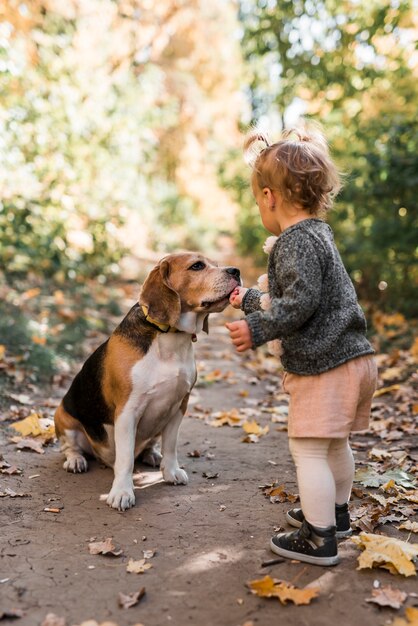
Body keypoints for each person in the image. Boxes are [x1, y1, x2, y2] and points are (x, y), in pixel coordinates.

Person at [226, 121, 377, 566]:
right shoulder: (319, 236)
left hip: (325, 366)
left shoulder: (293, 242)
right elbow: (296, 297)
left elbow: (302, 305)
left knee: (308, 448)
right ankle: (336, 514)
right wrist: (250, 301)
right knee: (334, 445)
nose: (259, 208)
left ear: (270, 197)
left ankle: (319, 537)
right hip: (354, 358)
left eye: (258, 201)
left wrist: (258, 330)